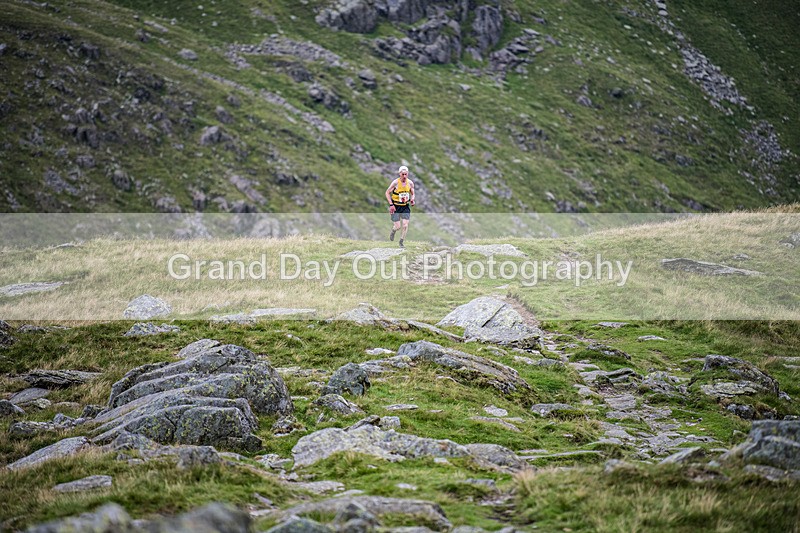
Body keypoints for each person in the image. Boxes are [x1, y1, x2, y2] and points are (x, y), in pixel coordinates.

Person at [385, 165, 415, 248]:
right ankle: (393, 231)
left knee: (405, 225)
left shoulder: (410, 183)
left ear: (408, 174)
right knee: (398, 227)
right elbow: (387, 193)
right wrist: (391, 204)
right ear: (399, 174)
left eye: (406, 174)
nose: (404, 176)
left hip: (405, 206)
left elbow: (413, 193)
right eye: (403, 174)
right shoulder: (395, 183)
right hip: (395, 206)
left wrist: (412, 199)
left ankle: (401, 241)